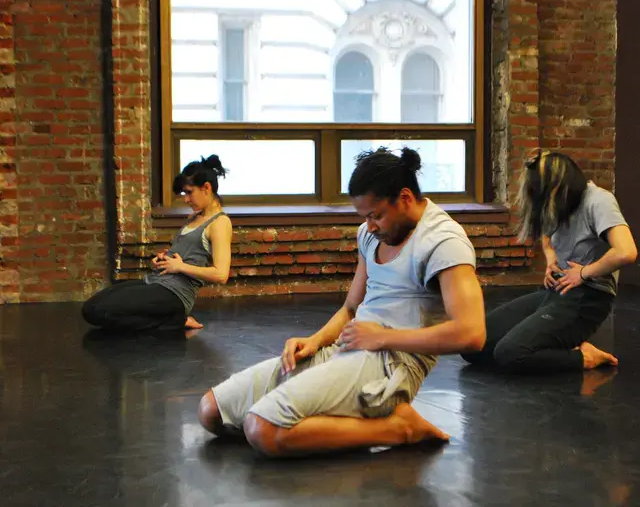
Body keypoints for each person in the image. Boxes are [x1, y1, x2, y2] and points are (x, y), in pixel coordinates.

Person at [197, 147, 486, 457]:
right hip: (348, 347)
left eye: (377, 215)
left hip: (392, 364)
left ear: (404, 198)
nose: (370, 226)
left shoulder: (444, 241)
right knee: (211, 411)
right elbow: (350, 308)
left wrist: (381, 337)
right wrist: (315, 340)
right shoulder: (370, 234)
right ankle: (329, 418)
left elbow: (472, 334)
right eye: (365, 217)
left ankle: (400, 428)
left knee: (261, 430)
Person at [462, 150, 637, 372]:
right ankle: (560, 343)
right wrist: (551, 257)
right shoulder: (562, 201)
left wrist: (583, 273)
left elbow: (626, 251)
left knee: (510, 353)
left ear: (558, 186)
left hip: (588, 298)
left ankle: (585, 357)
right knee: (472, 344)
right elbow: (546, 233)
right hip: (557, 291)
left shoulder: (599, 201)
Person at [82, 155, 232, 334]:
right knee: (92, 306)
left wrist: (180, 267)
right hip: (156, 281)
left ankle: (174, 320)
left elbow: (221, 274)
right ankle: (166, 318)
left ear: (206, 187)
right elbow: (185, 255)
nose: (186, 199)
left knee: (99, 312)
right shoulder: (194, 217)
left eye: (189, 192)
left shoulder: (220, 223)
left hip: (174, 294)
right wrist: (164, 259)